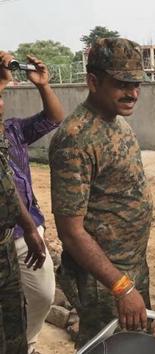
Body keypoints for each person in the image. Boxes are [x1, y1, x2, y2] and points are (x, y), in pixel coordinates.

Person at [48, 37, 153, 347]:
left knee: (138, 346)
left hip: (132, 269)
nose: (133, 93)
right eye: (122, 83)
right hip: (103, 283)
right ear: (93, 81)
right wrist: (121, 287)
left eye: (136, 83)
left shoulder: (116, 120)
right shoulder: (75, 139)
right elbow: (71, 232)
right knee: (107, 348)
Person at [1, 51, 62, 354]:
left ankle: (29, 342)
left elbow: (53, 118)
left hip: (26, 232)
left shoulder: (12, 129)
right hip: (7, 234)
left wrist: (42, 86)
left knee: (42, 294)